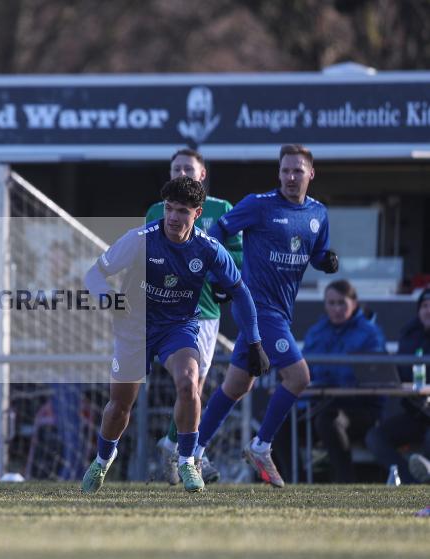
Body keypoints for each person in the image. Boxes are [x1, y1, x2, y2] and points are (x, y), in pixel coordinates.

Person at [81, 176, 269, 494]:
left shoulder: (209, 249)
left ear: (197, 214)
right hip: (134, 328)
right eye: (169, 209)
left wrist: (254, 342)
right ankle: (102, 461)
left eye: (182, 211)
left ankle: (186, 461)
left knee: (188, 383)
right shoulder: (140, 239)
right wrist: (107, 297)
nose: (172, 217)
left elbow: (241, 292)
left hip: (177, 327)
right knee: (119, 407)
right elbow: (94, 274)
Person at [194, 144, 339, 488]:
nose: (291, 177)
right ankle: (261, 445)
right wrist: (218, 276)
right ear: (279, 173)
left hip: (281, 312)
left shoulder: (318, 213)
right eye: (285, 170)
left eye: (298, 171)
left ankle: (191, 451)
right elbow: (218, 233)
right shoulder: (259, 205)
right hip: (259, 310)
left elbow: (317, 253)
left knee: (236, 386)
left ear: (310, 174)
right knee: (299, 377)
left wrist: (326, 262)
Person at [148, 148, 243, 486]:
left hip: (205, 311)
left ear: (202, 174)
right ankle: (186, 451)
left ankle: (180, 448)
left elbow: (237, 256)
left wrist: (221, 283)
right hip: (166, 309)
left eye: (189, 168)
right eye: (177, 169)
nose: (183, 173)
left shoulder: (221, 210)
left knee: (194, 384)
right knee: (186, 384)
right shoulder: (157, 212)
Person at [302, 280, 386, 482]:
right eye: (331, 303)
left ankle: (345, 484)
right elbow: (304, 371)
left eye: (342, 303)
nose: (336, 309)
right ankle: (292, 482)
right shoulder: (316, 331)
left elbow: (373, 373)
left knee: (328, 422)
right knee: (280, 424)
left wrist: (333, 380)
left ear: (354, 303)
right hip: (321, 403)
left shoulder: (370, 333)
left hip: (360, 407)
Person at [366, 287, 430, 484]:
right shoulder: (410, 335)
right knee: (376, 437)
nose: (428, 310)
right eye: (425, 306)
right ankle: (413, 480)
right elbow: (402, 374)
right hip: (417, 412)